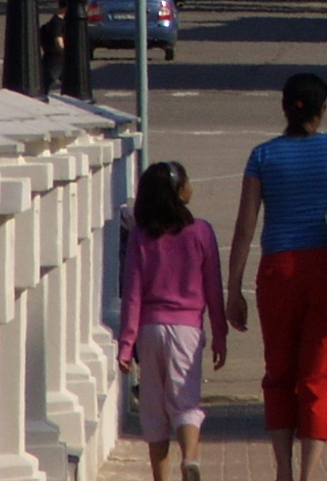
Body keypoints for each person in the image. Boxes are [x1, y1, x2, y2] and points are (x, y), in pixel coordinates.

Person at [226, 71, 327, 481]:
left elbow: (245, 226)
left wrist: (233, 288)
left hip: (277, 269)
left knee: (279, 371)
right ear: (322, 110)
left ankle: (282, 470)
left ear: (285, 108)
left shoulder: (262, 155)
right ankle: (309, 473)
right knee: (321, 373)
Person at [118, 159, 227, 481]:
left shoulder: (141, 236)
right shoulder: (201, 232)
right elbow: (213, 290)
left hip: (149, 330)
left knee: (153, 408)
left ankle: (160, 478)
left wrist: (126, 345)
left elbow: (132, 293)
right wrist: (219, 335)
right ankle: (190, 458)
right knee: (185, 401)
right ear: (179, 191)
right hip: (187, 330)